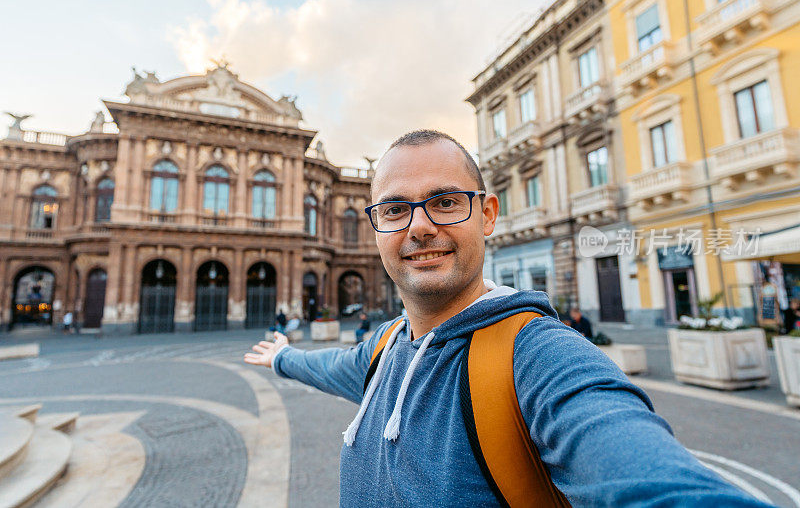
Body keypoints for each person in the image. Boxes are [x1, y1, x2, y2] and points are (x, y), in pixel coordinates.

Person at [245, 130, 771, 507]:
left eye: (446, 202)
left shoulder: (540, 357)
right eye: (395, 209)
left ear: (488, 214)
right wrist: (285, 358)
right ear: (377, 224)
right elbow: (334, 366)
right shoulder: (385, 349)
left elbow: (648, 475)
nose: (420, 226)